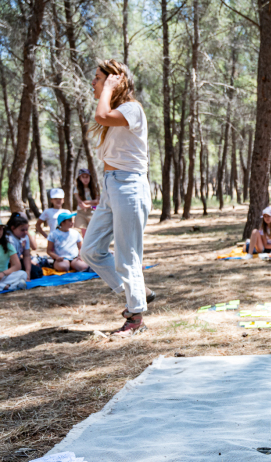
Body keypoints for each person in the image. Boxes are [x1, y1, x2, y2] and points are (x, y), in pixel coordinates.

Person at [82, 58, 156, 337]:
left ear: (115, 82)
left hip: (129, 185)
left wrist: (107, 89)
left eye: (98, 78)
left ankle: (135, 318)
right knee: (90, 250)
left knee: (128, 256)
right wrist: (106, 90)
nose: (94, 82)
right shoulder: (120, 110)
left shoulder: (132, 109)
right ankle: (139, 292)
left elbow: (101, 116)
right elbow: (103, 117)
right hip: (112, 185)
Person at [7, 213, 42, 280]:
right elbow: (12, 260)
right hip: (8, 264)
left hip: (18, 261)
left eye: (27, 230)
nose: (25, 232)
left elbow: (26, 255)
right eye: (22, 230)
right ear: (13, 228)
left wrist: (27, 272)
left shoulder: (25, 237)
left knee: (38, 272)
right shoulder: (9, 239)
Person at [74, 169, 99, 237]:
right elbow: (80, 202)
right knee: (84, 232)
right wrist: (92, 203)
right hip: (81, 213)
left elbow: (97, 202)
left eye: (87, 177)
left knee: (93, 232)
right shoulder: (77, 189)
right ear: (79, 178)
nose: (85, 179)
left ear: (90, 177)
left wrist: (86, 204)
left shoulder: (94, 188)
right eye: (83, 177)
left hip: (92, 212)